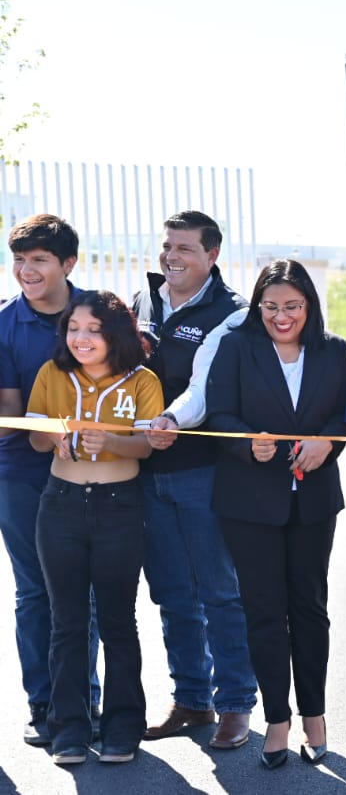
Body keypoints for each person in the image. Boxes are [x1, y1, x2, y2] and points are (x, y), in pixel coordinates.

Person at [205, 259, 346, 770]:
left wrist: (327, 442)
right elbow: (218, 414)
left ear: (308, 305)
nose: (281, 316)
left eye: (292, 306)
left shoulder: (334, 350)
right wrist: (248, 443)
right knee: (264, 611)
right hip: (249, 503)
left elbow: (344, 414)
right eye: (270, 306)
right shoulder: (235, 346)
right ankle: (276, 719)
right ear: (258, 306)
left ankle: (315, 715)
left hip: (313, 502)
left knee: (309, 608)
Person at [133, 210, 257, 750]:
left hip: (204, 472)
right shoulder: (143, 301)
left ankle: (235, 704)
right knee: (171, 593)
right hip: (145, 472)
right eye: (167, 246)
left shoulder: (232, 313)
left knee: (220, 592)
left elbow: (206, 388)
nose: (172, 256)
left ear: (212, 255)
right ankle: (191, 699)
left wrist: (169, 421)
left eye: (184, 248)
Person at [27, 290, 164, 764]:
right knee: (66, 622)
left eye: (93, 329)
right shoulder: (52, 373)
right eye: (73, 329)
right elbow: (35, 436)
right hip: (60, 505)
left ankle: (123, 727)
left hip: (118, 507)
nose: (80, 338)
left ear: (115, 333)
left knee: (117, 621)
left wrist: (110, 441)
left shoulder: (142, 379)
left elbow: (145, 447)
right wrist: (56, 436)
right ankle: (68, 728)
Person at [0, 214, 101, 747]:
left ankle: (84, 700)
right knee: (35, 592)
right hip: (21, 475)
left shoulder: (100, 314)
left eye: (39, 259)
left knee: (85, 592)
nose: (26, 270)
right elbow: (10, 413)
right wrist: (46, 426)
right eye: (19, 260)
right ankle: (44, 703)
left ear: (68, 263)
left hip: (93, 474)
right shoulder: (3, 323)